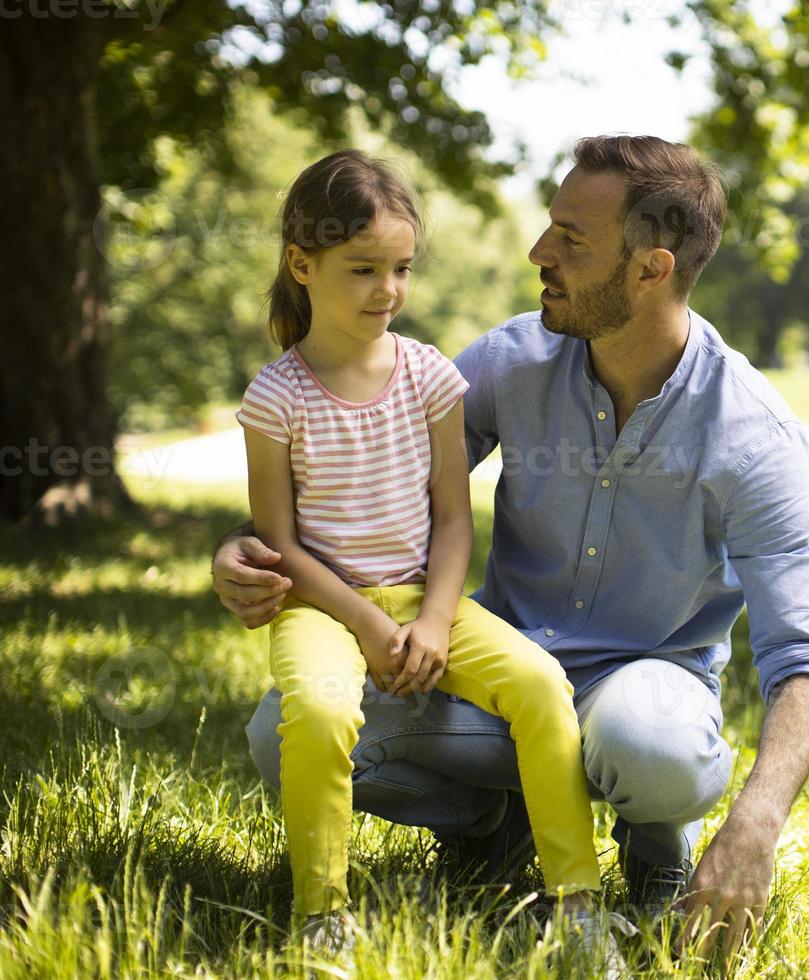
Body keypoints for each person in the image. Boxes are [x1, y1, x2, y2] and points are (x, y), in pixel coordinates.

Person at [214, 135, 809, 968]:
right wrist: (247, 552)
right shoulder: (511, 360)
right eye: (550, 227)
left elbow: (805, 657)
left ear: (651, 269)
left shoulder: (750, 433)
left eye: (570, 241)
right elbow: (363, 473)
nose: (538, 252)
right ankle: (494, 824)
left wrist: (754, 827)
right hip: (499, 682)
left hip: (643, 689)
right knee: (285, 729)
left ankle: (656, 833)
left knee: (645, 746)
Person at [235, 149, 621, 968]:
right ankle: (322, 914)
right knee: (324, 709)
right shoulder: (277, 396)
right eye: (363, 268)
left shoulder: (431, 377)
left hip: (424, 595)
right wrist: (368, 624)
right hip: (322, 609)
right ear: (302, 265)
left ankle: (577, 901)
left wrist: (436, 618)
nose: (388, 290)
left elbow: (453, 519)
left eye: (401, 268)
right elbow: (281, 546)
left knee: (539, 685)